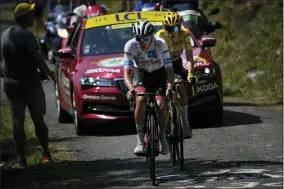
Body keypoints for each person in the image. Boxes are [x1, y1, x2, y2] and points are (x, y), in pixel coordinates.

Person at [0, 3, 55, 169]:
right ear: (24, 17)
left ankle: (21, 159)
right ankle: (46, 154)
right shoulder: (27, 36)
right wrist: (50, 74)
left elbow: (14, 61)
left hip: (12, 87)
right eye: (31, 14)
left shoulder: (5, 34)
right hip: (31, 86)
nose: (33, 16)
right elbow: (37, 59)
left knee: (18, 122)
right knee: (39, 121)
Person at [124, 20, 174, 156]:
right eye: (138, 39)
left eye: (145, 38)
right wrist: (130, 88)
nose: (142, 42)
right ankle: (140, 141)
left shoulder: (160, 44)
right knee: (140, 100)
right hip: (141, 74)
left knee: (162, 105)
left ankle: (162, 137)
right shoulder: (130, 46)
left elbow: (169, 70)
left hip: (159, 74)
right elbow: (127, 73)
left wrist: (169, 87)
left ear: (152, 36)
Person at [155, 12, 195, 139]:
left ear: (180, 27)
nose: (173, 32)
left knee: (181, 87)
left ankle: (186, 124)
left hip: (176, 64)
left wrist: (191, 74)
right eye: (169, 28)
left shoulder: (185, 34)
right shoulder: (159, 36)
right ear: (164, 28)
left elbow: (189, 57)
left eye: (176, 28)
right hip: (161, 65)